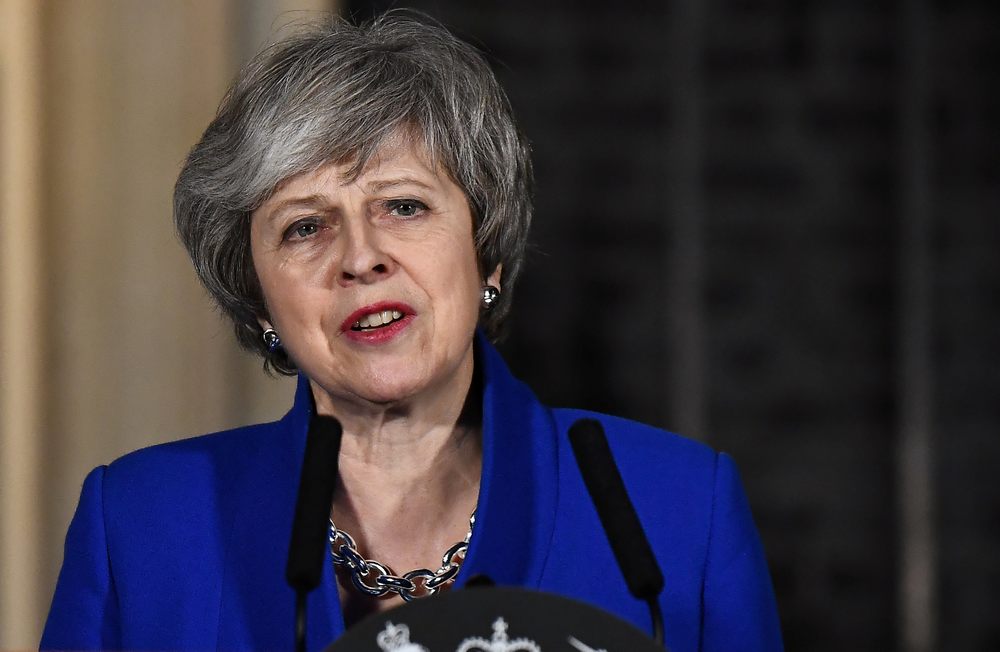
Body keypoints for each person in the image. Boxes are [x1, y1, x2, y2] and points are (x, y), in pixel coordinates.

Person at [41, 13, 782, 652]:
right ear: (259, 300)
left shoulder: (677, 512)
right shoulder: (142, 526)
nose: (361, 257)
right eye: (305, 226)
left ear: (484, 249)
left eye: (403, 206)